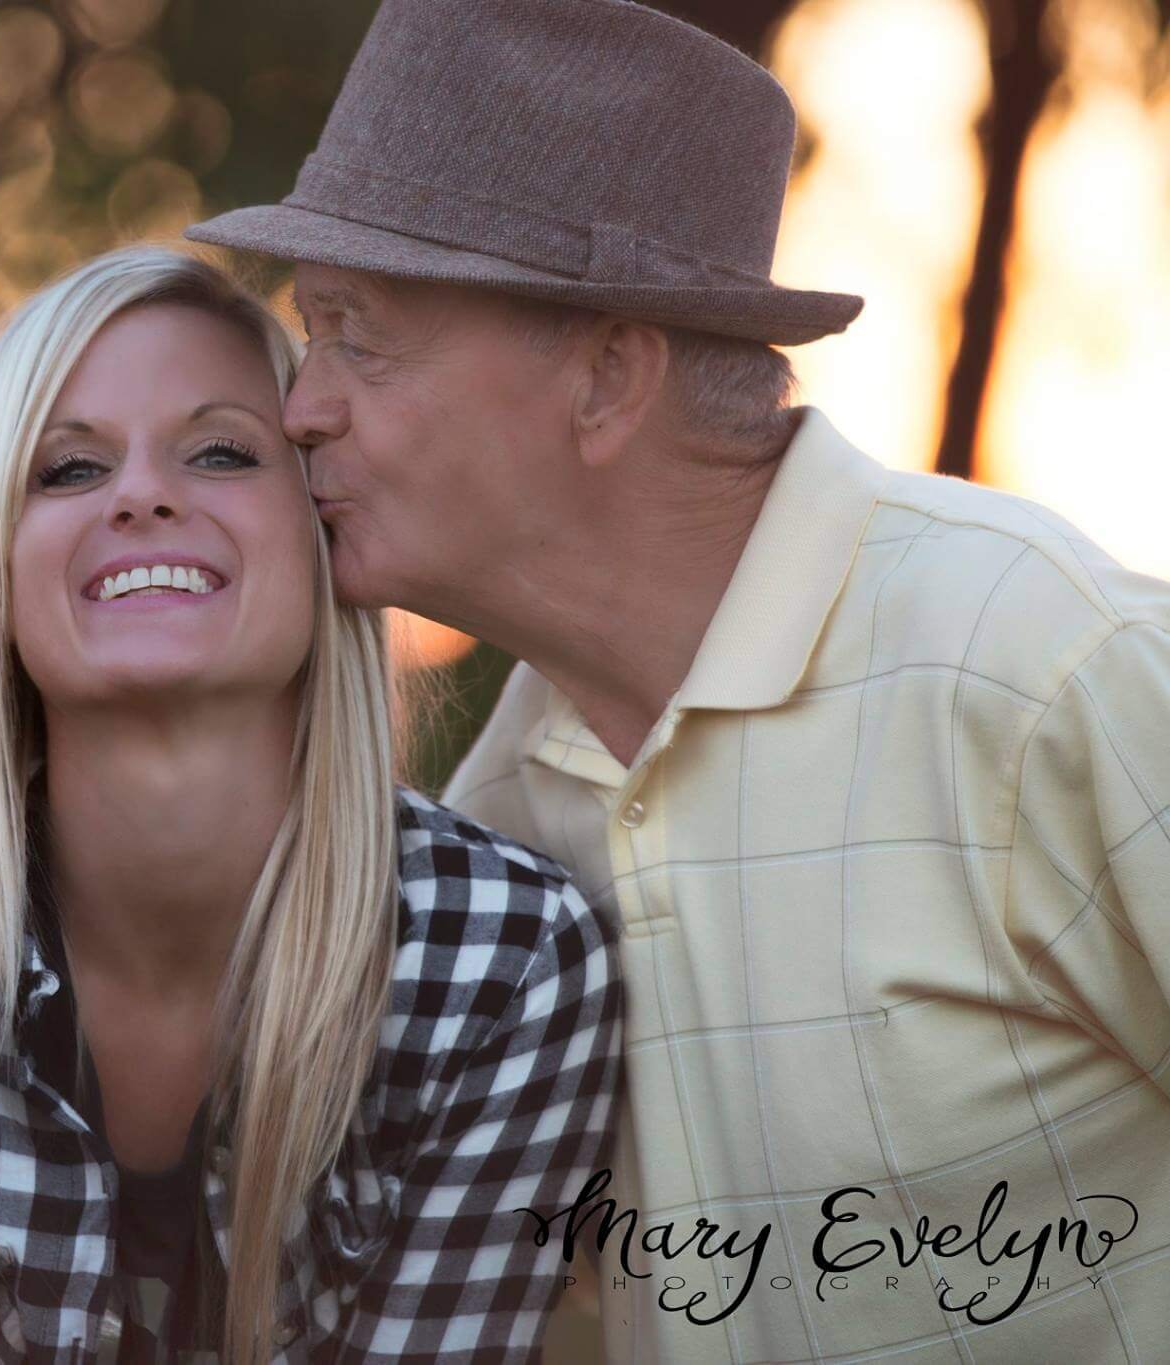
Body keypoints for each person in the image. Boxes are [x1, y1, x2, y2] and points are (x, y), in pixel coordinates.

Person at [187, 0, 1170, 1361]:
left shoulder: (1040, 674)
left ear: (606, 376)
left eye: (359, 333)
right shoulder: (500, 847)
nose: (303, 406)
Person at [0, 245, 620, 1363]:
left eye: (221, 452)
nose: (141, 495)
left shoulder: (505, 968)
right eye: (67, 471)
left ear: (326, 542)